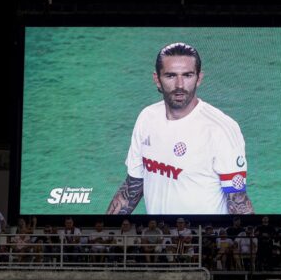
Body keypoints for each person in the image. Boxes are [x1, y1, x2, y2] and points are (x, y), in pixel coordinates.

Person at [106, 42, 254, 215]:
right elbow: (132, 188)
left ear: (199, 78)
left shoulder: (221, 129)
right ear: (157, 79)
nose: (180, 85)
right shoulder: (147, 118)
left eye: (188, 75)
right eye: (170, 76)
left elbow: (239, 204)